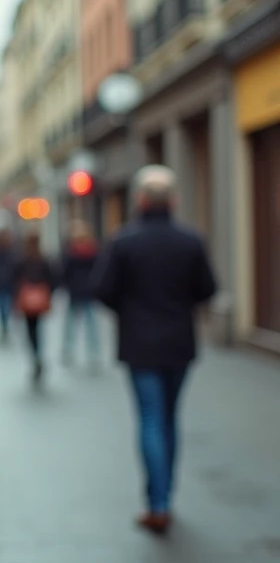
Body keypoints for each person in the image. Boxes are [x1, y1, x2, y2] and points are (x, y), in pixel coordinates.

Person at [92, 165, 217, 535]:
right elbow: (207, 290)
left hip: (139, 342)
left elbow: (102, 289)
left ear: (140, 200)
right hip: (179, 341)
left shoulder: (123, 241)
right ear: (174, 200)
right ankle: (166, 497)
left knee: (150, 418)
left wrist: (129, 312)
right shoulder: (191, 240)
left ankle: (156, 502)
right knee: (168, 418)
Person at [12, 233, 57, 385]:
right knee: (37, 329)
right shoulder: (43, 259)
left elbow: (13, 279)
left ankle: (35, 354)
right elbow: (53, 279)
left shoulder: (21, 259)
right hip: (39, 300)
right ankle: (38, 354)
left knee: (30, 330)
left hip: (27, 299)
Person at [61, 219, 100, 367]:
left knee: (71, 324)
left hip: (75, 291)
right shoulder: (93, 251)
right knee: (91, 323)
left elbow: (64, 272)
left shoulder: (71, 253)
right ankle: (94, 352)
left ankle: (68, 350)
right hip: (88, 291)